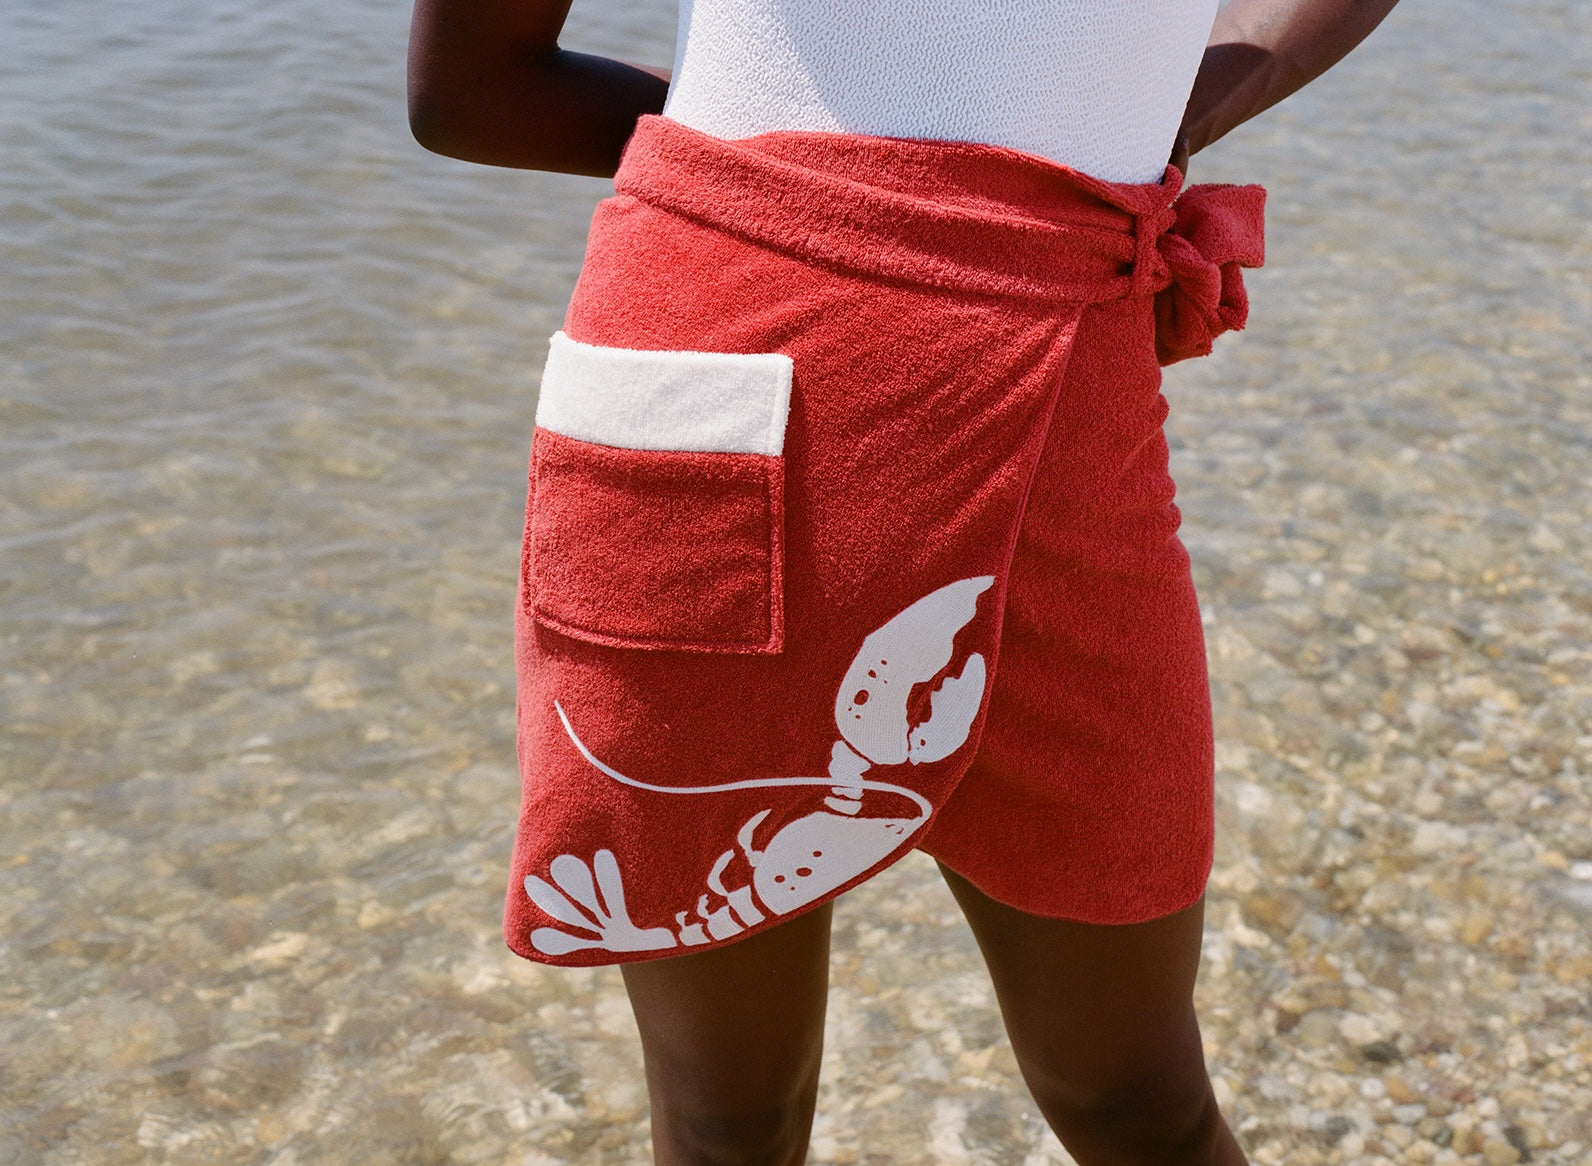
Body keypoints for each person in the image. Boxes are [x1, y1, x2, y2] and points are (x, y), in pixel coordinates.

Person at [408, 2, 1401, 1163]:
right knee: (737, 1115)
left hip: (1066, 400)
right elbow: (473, 92)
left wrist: (1175, 106)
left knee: (1133, 1096)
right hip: (728, 385)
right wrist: (945, 177)